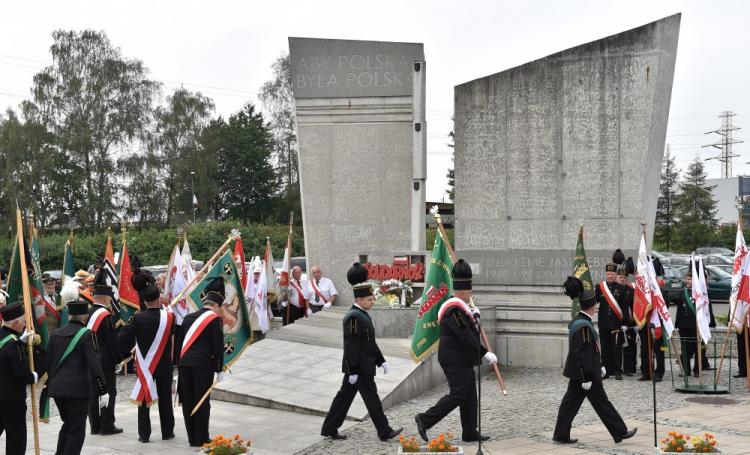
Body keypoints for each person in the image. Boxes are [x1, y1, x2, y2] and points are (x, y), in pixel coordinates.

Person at [415, 259, 496, 443]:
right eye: (469, 291)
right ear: (461, 292)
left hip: (462, 359)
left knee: (469, 397)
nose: (471, 294)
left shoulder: (461, 308)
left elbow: (468, 328)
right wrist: (485, 353)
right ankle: (425, 419)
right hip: (454, 359)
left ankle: (469, 432)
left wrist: (475, 316)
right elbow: (465, 335)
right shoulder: (453, 309)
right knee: (458, 394)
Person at [321, 263, 402, 442]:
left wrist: (381, 361)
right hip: (359, 369)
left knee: (344, 398)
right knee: (371, 399)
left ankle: (330, 427)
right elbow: (351, 347)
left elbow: (369, 343)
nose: (372, 302)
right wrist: (352, 371)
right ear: (358, 300)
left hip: (362, 367)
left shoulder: (362, 315)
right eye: (369, 300)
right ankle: (384, 431)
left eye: (372, 299)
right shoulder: (353, 318)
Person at [553, 278, 637, 444]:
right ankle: (620, 432)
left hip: (586, 372)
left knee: (571, 403)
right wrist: (587, 377)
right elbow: (582, 354)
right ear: (593, 307)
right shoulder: (583, 326)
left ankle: (561, 434)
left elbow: (590, 351)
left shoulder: (581, 321)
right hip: (585, 374)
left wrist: (601, 366)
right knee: (599, 403)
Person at [46, 297, 108, 455]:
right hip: (77, 391)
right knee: (77, 431)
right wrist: (103, 389)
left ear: (69, 316)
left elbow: (48, 362)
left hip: (58, 390)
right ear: (85, 318)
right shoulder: (86, 334)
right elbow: (94, 363)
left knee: (67, 425)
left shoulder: (55, 334)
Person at [117, 278, 176, 443]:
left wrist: (126, 354)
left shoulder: (138, 318)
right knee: (165, 398)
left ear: (144, 301)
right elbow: (172, 340)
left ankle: (144, 435)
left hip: (145, 365)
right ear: (159, 299)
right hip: (164, 364)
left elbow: (121, 336)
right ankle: (167, 432)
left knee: (144, 399)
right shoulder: (170, 317)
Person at [176, 276, 225, 448]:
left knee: (188, 400)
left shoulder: (188, 317)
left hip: (184, 365)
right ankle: (202, 438)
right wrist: (219, 368)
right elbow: (217, 346)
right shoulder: (214, 319)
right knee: (202, 402)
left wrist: (178, 364)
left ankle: (191, 438)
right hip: (202, 366)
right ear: (217, 306)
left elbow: (180, 343)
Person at [0, 302, 39, 455]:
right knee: (16, 435)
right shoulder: (14, 343)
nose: (25, 323)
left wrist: (19, 342)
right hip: (12, 397)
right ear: (16, 322)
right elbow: (20, 372)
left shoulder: (8, 339)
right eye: (23, 320)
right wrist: (33, 377)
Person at [88, 271, 123, 435]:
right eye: (110, 298)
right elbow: (111, 342)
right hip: (104, 359)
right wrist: (117, 359)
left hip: (89, 358)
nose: (111, 300)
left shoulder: (86, 312)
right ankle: (107, 425)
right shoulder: (106, 316)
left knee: (93, 392)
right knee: (108, 391)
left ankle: (95, 425)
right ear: (104, 298)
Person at [596, 255, 625, 380]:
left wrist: (624, 323)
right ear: (605, 274)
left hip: (616, 324)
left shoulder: (621, 288)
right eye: (608, 274)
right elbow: (594, 301)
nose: (610, 276)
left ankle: (617, 371)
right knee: (605, 349)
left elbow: (624, 307)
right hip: (603, 323)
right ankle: (606, 371)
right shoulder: (599, 287)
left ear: (615, 275)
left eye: (612, 274)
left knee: (617, 347)